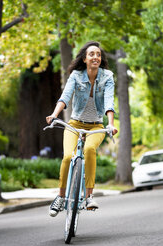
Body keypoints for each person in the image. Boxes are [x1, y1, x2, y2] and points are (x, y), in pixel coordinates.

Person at [46, 41, 118, 217]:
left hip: (96, 126)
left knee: (90, 149)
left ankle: (89, 196)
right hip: (75, 124)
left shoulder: (107, 76)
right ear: (85, 59)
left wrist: (111, 124)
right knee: (68, 156)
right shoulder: (76, 75)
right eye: (91, 54)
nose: (96, 57)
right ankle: (60, 197)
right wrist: (54, 114)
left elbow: (109, 101)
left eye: (98, 54)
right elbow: (65, 97)